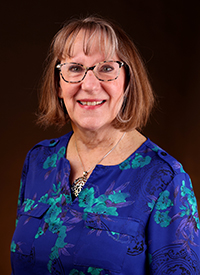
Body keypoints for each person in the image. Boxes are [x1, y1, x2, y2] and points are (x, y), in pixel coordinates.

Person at [10, 15, 200, 275]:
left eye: (107, 68)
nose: (89, 85)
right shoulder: (39, 160)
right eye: (74, 68)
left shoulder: (166, 178)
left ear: (128, 82)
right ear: (57, 84)